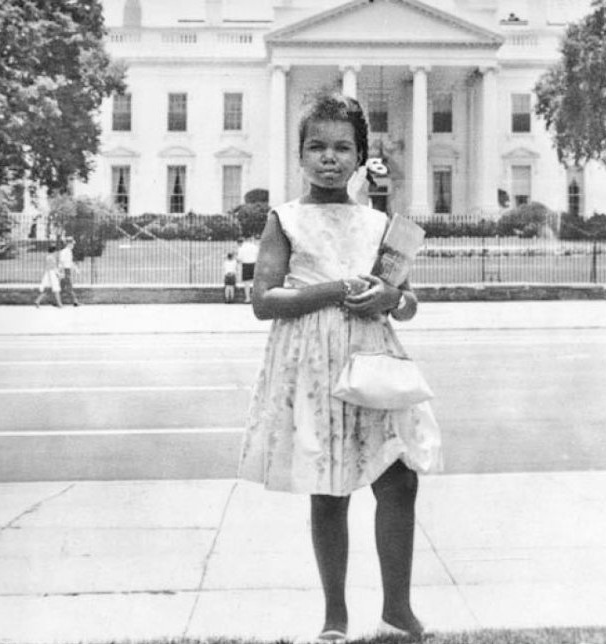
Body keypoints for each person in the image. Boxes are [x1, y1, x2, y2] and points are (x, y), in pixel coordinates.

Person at [238, 92, 441, 642]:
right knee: (329, 485)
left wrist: (389, 299)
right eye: (317, 147)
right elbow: (263, 301)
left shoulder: (378, 223)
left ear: (359, 157)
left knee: (397, 478)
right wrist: (333, 289)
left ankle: (397, 607)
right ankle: (335, 617)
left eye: (342, 148)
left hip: (374, 359)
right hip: (314, 363)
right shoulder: (285, 219)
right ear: (301, 155)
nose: (329, 157)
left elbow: (408, 299)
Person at [58, 237, 80, 306]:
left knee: (62, 287)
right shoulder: (64, 252)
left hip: (67, 270)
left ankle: (57, 301)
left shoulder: (69, 251)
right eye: (72, 244)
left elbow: (70, 262)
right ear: (68, 244)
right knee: (69, 286)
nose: (73, 245)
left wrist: (75, 268)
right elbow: (61, 262)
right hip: (65, 270)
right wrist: (61, 272)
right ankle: (75, 301)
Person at [236, 234, 258, 303]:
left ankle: (247, 298)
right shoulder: (255, 246)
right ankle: (256, 298)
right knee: (255, 283)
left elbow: (239, 259)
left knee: (247, 283)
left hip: (246, 265)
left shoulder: (242, 247)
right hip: (254, 264)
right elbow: (258, 256)